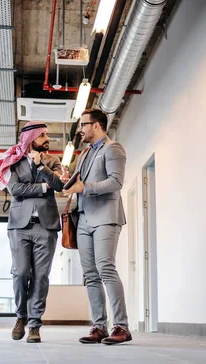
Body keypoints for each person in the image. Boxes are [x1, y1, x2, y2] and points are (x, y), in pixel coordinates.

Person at [63, 109, 132, 345]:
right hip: (83, 218)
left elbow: (116, 181)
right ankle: (99, 326)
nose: (80, 129)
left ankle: (121, 326)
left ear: (97, 125)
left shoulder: (113, 149)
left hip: (105, 216)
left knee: (105, 268)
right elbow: (80, 183)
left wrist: (86, 188)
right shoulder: (84, 154)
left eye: (84, 124)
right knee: (90, 275)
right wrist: (69, 180)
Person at [0, 121, 65, 343]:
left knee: (41, 275)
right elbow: (14, 189)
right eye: (42, 135)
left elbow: (59, 185)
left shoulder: (52, 161)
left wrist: (42, 168)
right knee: (21, 272)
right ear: (31, 138)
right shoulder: (13, 161)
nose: (47, 138)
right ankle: (20, 316)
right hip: (19, 225)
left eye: (46, 134)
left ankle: (34, 324)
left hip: (47, 225)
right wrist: (42, 188)